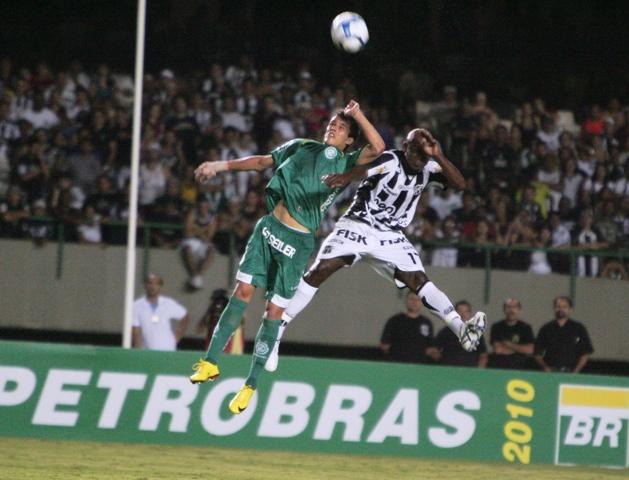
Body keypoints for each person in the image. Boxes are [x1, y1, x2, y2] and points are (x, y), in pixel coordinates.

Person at [188, 100, 385, 415]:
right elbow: (262, 162)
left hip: (298, 241)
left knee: (273, 312)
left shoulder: (348, 162)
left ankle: (250, 385)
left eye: (341, 127)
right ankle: (210, 363)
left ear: (349, 139)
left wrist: (358, 114)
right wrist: (219, 166)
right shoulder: (301, 147)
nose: (333, 127)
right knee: (241, 292)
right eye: (331, 123)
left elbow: (378, 146)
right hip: (268, 229)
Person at [265, 128, 487, 373]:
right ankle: (277, 328)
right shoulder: (392, 160)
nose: (420, 158)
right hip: (359, 225)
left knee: (419, 280)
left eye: (425, 154)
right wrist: (347, 176)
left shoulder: (429, 167)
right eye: (416, 151)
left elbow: (460, 184)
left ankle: (461, 329)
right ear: (406, 146)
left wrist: (439, 155)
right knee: (321, 270)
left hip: (391, 236)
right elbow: (366, 170)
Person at [534, 296, 594, 373]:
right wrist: (546, 368)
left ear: (570, 309)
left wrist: (575, 372)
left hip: (572, 372)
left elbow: (585, 353)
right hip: (550, 373)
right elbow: (537, 353)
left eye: (564, 307)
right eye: (558, 307)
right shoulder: (546, 329)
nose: (561, 309)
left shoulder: (579, 328)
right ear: (554, 308)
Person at [132, 273, 190, 351]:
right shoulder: (137, 305)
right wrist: (137, 349)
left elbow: (184, 316)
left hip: (168, 349)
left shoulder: (168, 303)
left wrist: (177, 336)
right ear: (145, 285)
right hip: (147, 349)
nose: (152, 286)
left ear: (160, 286)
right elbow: (135, 329)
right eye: (150, 283)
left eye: (156, 284)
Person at [380, 292, 439, 364]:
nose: (415, 302)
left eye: (418, 300)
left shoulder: (426, 323)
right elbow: (384, 345)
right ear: (406, 301)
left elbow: (430, 347)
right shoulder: (395, 321)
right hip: (397, 364)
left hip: (419, 366)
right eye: (412, 299)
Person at [434, 300, 488, 368]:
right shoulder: (445, 332)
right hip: (449, 370)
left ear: (470, 313)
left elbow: (483, 354)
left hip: (470, 370)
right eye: (460, 312)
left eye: (466, 312)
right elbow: (435, 350)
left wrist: (479, 371)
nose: (463, 315)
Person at [489, 298, 535, 370]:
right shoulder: (496, 327)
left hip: (521, 366)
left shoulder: (526, 328)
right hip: (500, 365)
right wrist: (520, 349)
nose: (511, 310)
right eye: (508, 307)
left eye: (514, 307)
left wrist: (509, 344)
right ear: (504, 310)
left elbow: (530, 349)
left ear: (519, 310)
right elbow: (498, 349)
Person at [196, 288, 245, 354]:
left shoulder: (231, 310)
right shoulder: (213, 311)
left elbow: (241, 321)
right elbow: (201, 328)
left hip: (228, 339)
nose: (218, 305)